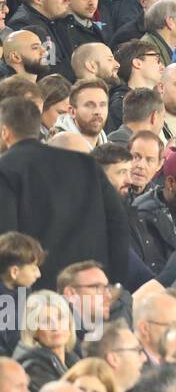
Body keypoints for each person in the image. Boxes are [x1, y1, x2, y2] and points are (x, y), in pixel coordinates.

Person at [0, 98, 129, 291]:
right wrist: (114, 284)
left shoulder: (5, 169)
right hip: (91, 291)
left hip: (38, 299)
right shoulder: (87, 164)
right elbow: (118, 224)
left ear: (4, 132)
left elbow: (7, 239)